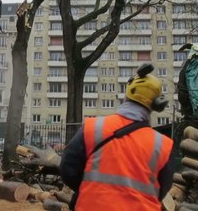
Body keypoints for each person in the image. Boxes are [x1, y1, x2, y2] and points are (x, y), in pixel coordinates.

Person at [60, 67, 174, 210]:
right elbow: (163, 188)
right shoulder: (162, 145)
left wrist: (91, 190)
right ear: (157, 104)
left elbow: (67, 169)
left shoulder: (93, 128)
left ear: (127, 94)